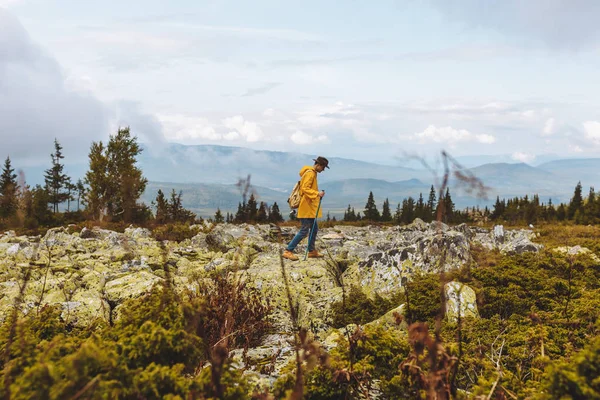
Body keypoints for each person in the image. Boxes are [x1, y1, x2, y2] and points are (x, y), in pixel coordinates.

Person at [283, 156, 329, 261]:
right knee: (304, 230)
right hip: (306, 207)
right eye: (323, 167)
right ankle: (288, 251)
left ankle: (312, 251)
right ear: (318, 165)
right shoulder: (310, 173)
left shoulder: (312, 173)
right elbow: (304, 188)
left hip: (310, 207)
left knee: (314, 228)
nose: (323, 169)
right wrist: (317, 193)